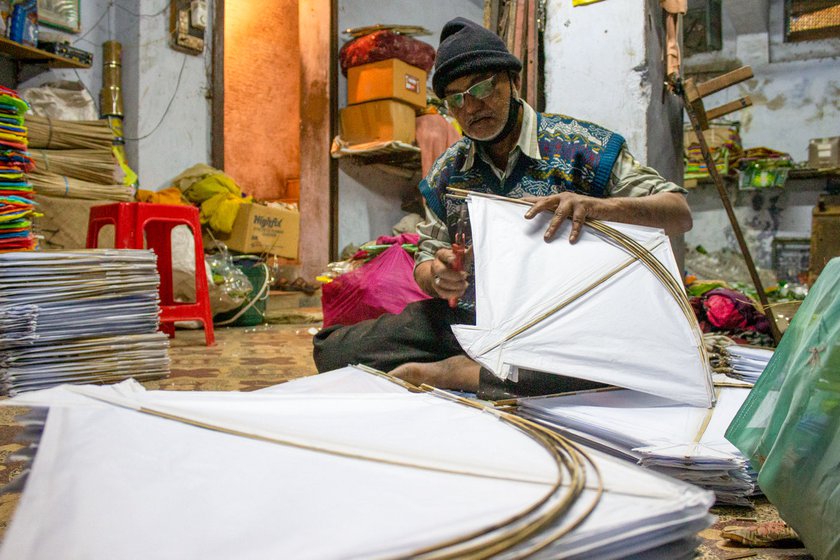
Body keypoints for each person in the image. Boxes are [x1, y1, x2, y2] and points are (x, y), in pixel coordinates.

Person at [313, 17, 692, 399]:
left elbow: (677, 211)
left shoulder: (579, 146)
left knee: (628, 359)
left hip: (566, 319)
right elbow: (426, 262)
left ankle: (464, 374)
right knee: (333, 351)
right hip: (479, 320)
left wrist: (595, 207)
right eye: (457, 99)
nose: (472, 107)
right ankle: (501, 368)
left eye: (482, 88)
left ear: (513, 81)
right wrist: (438, 275)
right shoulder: (449, 172)